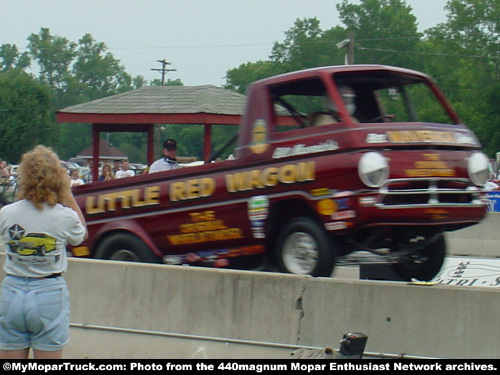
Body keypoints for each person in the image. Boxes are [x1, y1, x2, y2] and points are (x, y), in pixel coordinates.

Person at [0, 145, 86, 359]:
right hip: (48, 290)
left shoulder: (6, 213)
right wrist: (67, 194)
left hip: (12, 289)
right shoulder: (64, 216)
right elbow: (81, 235)